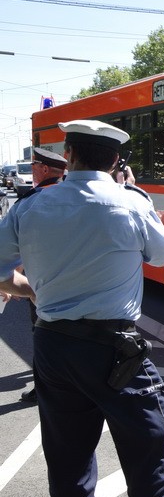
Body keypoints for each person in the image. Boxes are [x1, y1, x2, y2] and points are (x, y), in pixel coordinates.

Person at [0, 120, 164, 497]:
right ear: (116, 161)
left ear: (71, 156)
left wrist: (31, 291)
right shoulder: (132, 201)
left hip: (53, 347)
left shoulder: (30, 206)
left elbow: (2, 271)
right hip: (115, 352)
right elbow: (163, 255)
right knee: (150, 466)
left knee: (69, 469)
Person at [17, 146, 68, 402]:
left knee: (43, 334)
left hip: (43, 284)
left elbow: (17, 247)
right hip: (79, 281)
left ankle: (44, 388)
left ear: (45, 169)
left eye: (34, 165)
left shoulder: (31, 201)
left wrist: (13, 283)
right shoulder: (77, 196)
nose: (32, 170)